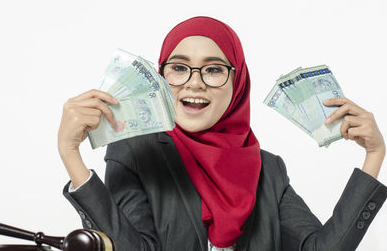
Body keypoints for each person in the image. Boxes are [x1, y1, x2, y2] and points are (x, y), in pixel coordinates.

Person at [57, 16, 387, 251]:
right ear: (159, 78)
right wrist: (72, 156)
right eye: (179, 68)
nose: (195, 82)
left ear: (237, 83)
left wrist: (374, 156)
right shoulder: (135, 154)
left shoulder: (268, 169)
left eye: (214, 69)